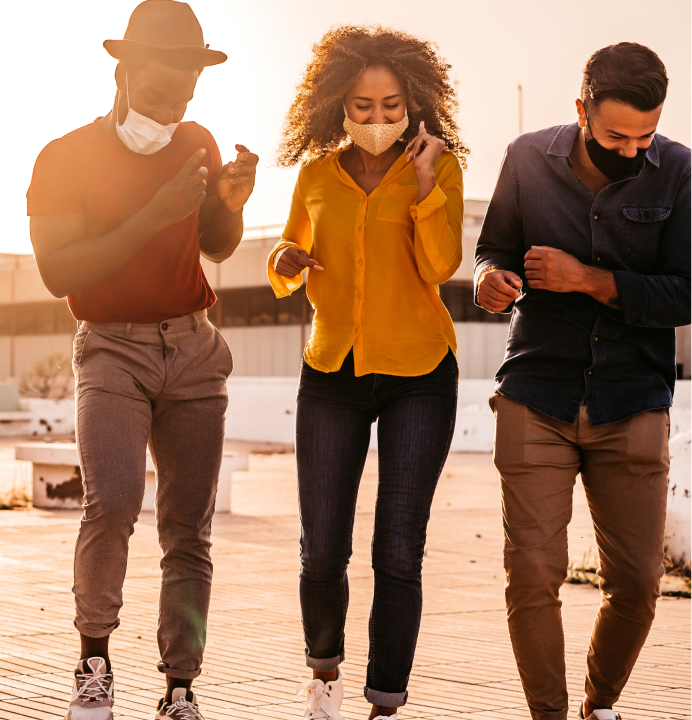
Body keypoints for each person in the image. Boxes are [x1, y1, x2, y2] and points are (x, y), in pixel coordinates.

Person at [26, 2, 256, 718]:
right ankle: (93, 664)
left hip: (191, 347)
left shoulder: (198, 139)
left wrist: (232, 202)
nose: (174, 106)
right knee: (115, 503)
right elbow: (59, 271)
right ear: (123, 71)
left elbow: (215, 244)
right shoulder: (64, 156)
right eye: (159, 91)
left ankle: (181, 687)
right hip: (111, 349)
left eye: (187, 93)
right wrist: (152, 214)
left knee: (189, 528)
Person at [475, 43, 692, 720]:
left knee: (636, 583)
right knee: (533, 576)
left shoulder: (681, 171)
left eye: (644, 137)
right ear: (581, 110)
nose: (631, 152)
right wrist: (489, 281)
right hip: (534, 393)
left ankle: (600, 704)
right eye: (614, 136)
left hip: (632, 399)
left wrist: (589, 280)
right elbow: (494, 250)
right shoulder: (524, 159)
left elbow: (688, 292)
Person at [268, 26, 468, 720]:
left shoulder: (439, 171)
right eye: (362, 106)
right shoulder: (316, 175)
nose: (378, 119)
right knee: (322, 548)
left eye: (391, 106)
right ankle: (324, 675)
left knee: (398, 550)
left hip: (419, 372)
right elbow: (289, 250)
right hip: (332, 370)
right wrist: (286, 264)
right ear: (337, 106)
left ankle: (386, 702)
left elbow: (441, 267)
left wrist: (420, 185)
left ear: (414, 104)